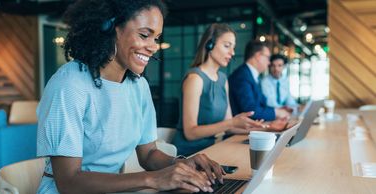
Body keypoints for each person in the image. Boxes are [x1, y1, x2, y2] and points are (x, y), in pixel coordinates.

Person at [36, 1, 224, 193]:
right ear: (109, 28)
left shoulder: (138, 86)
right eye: (144, 35)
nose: (153, 47)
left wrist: (182, 165)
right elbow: (69, 181)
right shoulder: (69, 84)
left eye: (156, 38)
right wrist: (152, 179)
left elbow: (148, 154)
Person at [172, 24, 264, 156]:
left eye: (233, 47)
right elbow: (190, 133)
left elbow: (228, 127)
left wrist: (256, 128)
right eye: (227, 46)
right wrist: (231, 122)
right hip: (190, 155)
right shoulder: (195, 79)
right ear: (210, 44)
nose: (232, 53)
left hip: (212, 150)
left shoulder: (222, 79)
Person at [228, 41, 291, 121]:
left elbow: (261, 104)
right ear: (258, 56)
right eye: (267, 58)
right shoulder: (242, 76)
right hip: (240, 132)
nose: (269, 63)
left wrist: (277, 109)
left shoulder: (253, 76)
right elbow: (249, 111)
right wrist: (276, 112)